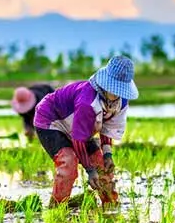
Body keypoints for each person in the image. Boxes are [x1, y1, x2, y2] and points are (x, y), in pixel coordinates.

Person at [33, 55, 139, 207]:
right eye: (114, 89)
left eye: (120, 90)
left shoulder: (121, 102)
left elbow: (108, 128)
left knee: (102, 165)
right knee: (68, 163)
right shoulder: (88, 102)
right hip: (51, 119)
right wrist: (89, 171)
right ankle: (57, 209)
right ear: (105, 84)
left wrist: (107, 154)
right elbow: (78, 139)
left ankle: (110, 207)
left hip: (79, 124)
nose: (116, 94)